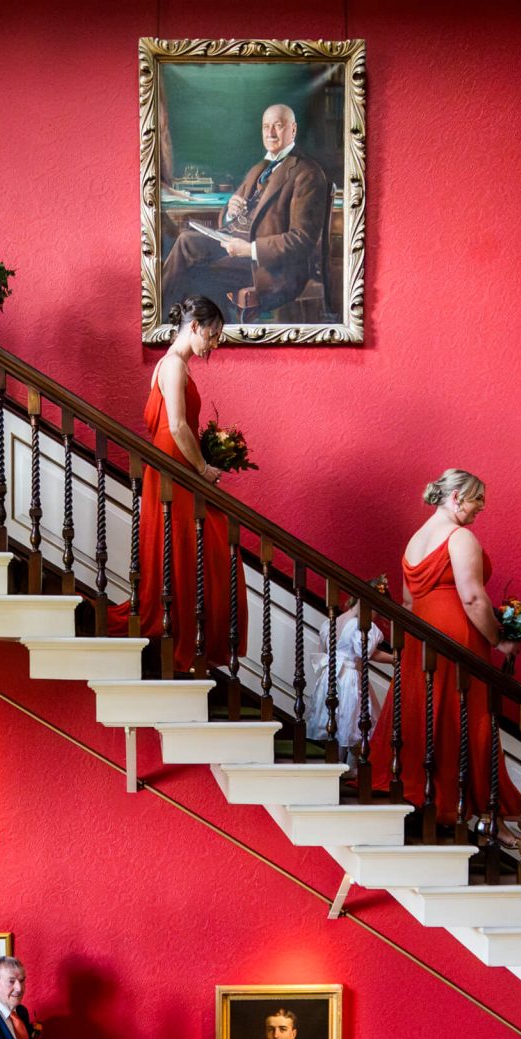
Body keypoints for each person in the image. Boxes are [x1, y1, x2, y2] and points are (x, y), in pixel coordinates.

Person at [366, 468, 521, 843]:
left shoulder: (414, 541)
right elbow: (471, 596)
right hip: (458, 642)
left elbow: (407, 602)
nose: (480, 509)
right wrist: (499, 639)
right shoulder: (460, 537)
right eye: (477, 500)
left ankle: (434, 802)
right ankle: (486, 815)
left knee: (427, 719)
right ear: (456, 498)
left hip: (422, 641)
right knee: (470, 721)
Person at [106, 296, 234, 673]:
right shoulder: (174, 365)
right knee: (189, 552)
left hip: (172, 470)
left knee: (188, 553)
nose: (214, 344)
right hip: (173, 471)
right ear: (194, 326)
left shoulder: (173, 365)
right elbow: (176, 426)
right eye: (212, 335)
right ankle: (180, 644)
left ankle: (187, 641)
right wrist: (203, 468)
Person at [160, 103, 327, 320]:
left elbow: (302, 240)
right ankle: (163, 322)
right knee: (186, 241)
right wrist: (230, 211)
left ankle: (164, 323)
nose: (271, 133)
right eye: (266, 127)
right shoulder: (260, 167)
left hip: (270, 266)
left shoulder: (308, 173)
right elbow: (229, 217)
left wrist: (249, 249)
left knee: (193, 273)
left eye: (278, 125)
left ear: (293, 129)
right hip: (236, 248)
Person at [297, 576, 390, 745]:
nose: (376, 615)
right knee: (352, 719)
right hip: (349, 677)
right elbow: (367, 652)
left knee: (336, 718)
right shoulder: (360, 626)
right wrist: (394, 659)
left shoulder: (332, 621)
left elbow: (323, 650)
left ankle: (335, 761)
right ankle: (348, 766)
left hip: (329, 676)